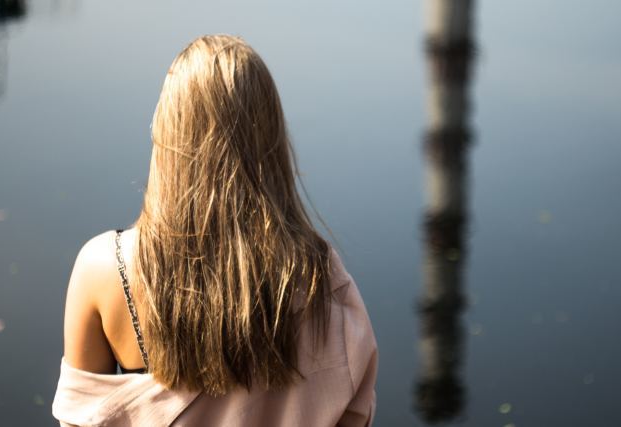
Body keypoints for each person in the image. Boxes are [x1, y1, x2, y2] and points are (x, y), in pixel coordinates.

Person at [52, 34, 377, 426]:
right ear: (270, 138)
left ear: (167, 132)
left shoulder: (105, 269)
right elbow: (353, 412)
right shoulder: (319, 279)